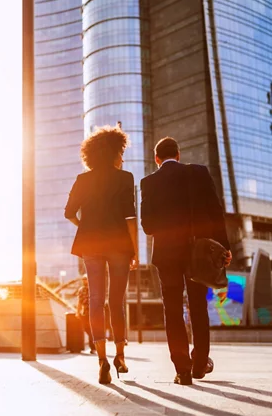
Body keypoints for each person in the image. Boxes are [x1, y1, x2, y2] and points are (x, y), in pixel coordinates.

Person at [140, 137, 231, 385]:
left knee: (172, 308)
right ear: (178, 155)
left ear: (157, 159)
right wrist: (225, 248)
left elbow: (147, 226)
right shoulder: (199, 173)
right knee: (198, 306)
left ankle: (182, 369)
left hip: (167, 254)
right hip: (198, 252)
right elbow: (216, 212)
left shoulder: (148, 182)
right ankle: (200, 363)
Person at [65, 125, 139, 384]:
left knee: (96, 301)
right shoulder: (125, 178)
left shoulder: (82, 179)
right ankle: (120, 357)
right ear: (111, 153)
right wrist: (135, 252)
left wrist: (85, 227)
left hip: (91, 246)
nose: (123, 158)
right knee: (116, 302)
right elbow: (130, 218)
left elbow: (69, 213)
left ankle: (102, 361)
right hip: (119, 245)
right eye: (121, 153)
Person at [76, 275, 96, 354]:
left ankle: (93, 348)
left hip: (93, 312)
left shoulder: (94, 289)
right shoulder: (81, 290)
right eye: (83, 279)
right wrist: (78, 311)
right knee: (87, 329)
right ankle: (94, 344)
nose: (84, 281)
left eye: (86, 279)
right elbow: (79, 301)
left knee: (92, 330)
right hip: (84, 313)